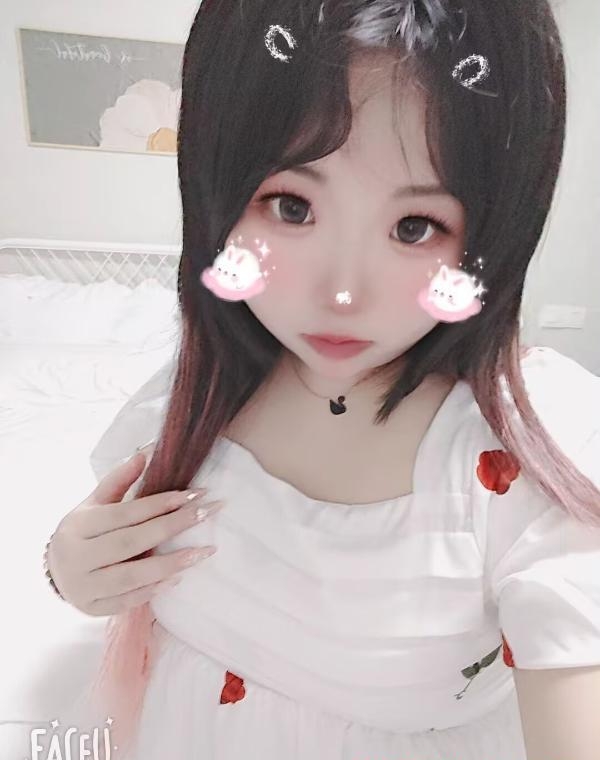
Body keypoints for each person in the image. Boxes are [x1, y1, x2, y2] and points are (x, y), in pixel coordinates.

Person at [44, 0, 600, 758]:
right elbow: (114, 544)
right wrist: (68, 568)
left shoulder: (533, 444)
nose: (342, 294)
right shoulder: (205, 381)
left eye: (414, 227)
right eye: (291, 206)